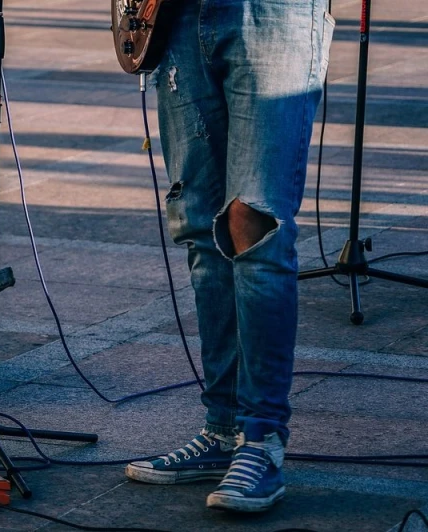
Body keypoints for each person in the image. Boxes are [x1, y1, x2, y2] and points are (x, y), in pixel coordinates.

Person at [123, 0, 334, 513]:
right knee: (200, 226)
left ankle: (261, 440)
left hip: (273, 16)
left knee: (253, 223)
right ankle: (221, 431)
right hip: (178, 18)